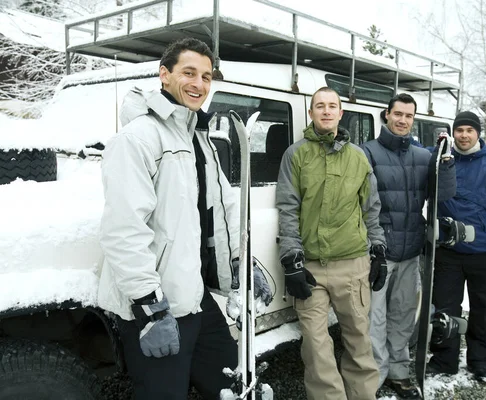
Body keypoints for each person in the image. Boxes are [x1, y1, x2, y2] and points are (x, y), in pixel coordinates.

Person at [98, 38, 270, 400]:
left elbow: (223, 209)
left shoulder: (199, 139)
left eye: (206, 77)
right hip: (157, 304)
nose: (199, 84)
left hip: (194, 296)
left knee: (234, 385)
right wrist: (151, 307)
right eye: (188, 73)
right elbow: (124, 230)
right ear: (164, 74)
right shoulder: (137, 139)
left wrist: (241, 261)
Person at [276, 87, 387, 400]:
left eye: (332, 106)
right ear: (311, 113)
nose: (326, 111)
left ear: (341, 113)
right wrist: (292, 259)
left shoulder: (359, 158)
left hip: (352, 266)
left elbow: (372, 210)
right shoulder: (295, 155)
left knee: (358, 341)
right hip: (311, 268)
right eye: (319, 106)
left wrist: (378, 251)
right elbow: (288, 208)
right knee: (315, 345)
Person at [361, 93, 456, 398]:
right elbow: (361, 204)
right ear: (385, 115)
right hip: (379, 253)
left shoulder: (422, 156)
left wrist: (446, 161)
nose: (403, 120)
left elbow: (443, 193)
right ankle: (374, 376)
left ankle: (399, 371)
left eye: (409, 116)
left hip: (411, 251)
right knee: (374, 319)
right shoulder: (368, 153)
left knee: (402, 316)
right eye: (398, 114)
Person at [427, 111, 486, 383]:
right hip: (448, 252)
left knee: (482, 311)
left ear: (478, 133)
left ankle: (480, 361)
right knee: (444, 310)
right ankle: (444, 359)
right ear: (453, 133)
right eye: (460, 130)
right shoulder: (441, 162)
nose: (464, 135)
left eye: (470, 130)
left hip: (484, 254)